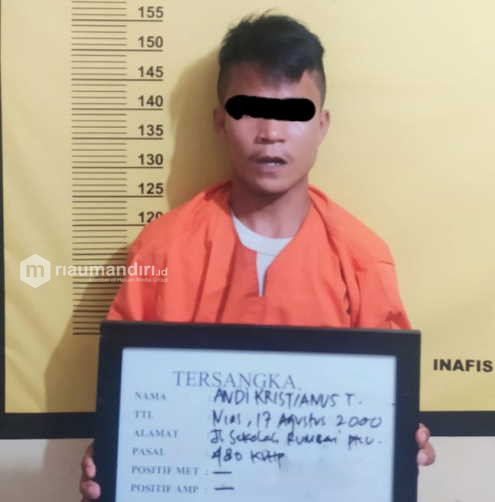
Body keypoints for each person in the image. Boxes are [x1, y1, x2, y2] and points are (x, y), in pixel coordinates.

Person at [79, 11, 435, 501]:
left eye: (294, 113)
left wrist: (398, 442)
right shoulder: (162, 250)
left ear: (322, 125)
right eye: (249, 111)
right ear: (220, 123)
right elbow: (131, 401)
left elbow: (380, 407)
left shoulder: (361, 258)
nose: (271, 132)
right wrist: (114, 454)